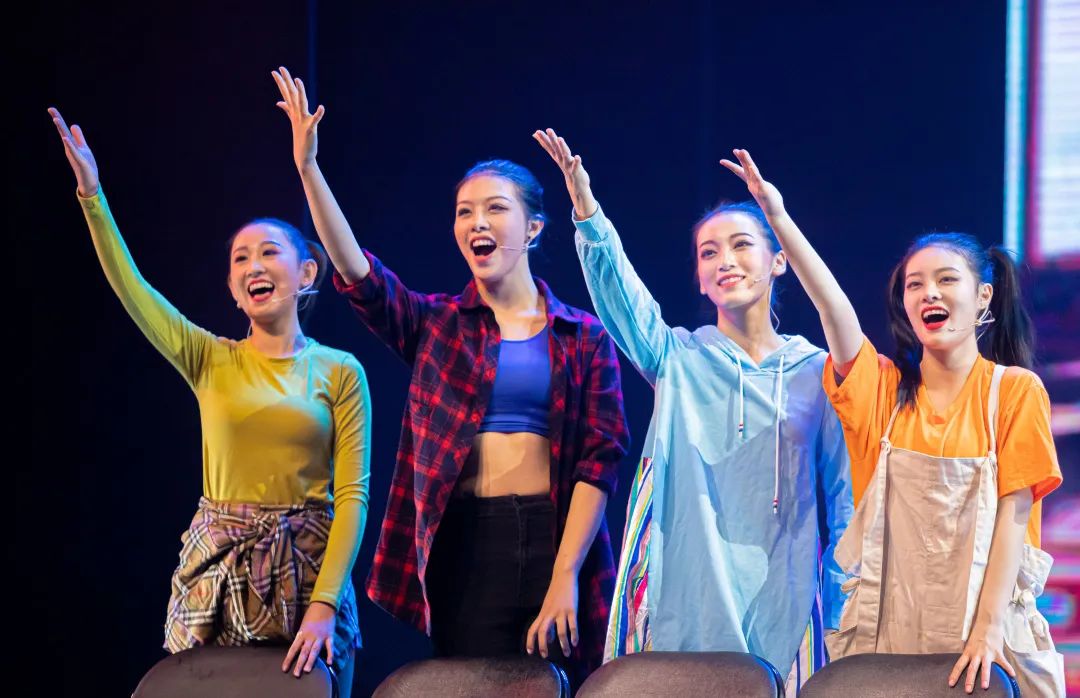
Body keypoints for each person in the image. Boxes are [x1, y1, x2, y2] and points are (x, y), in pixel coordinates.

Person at [270, 68, 630, 685]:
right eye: (465, 212)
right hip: (468, 543)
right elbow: (358, 274)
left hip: (555, 537)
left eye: (495, 208)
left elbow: (599, 463)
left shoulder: (584, 336)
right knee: (472, 688)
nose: (477, 222)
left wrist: (566, 573)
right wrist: (309, 169)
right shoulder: (437, 324)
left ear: (533, 228)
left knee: (559, 685)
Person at [719, 147, 1064, 696]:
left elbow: (1013, 518)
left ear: (983, 296)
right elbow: (833, 308)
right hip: (887, 645)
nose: (929, 293)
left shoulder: (1015, 392)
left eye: (946, 280)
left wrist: (988, 631)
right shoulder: (879, 391)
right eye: (914, 284)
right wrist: (777, 216)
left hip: (988, 641)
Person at [49, 107, 370, 695]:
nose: (254, 265)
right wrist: (92, 196)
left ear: (306, 273)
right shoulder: (209, 358)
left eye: (268, 252)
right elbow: (132, 288)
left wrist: (325, 602)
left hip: (308, 571)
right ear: (233, 290)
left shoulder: (339, 371)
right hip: (218, 572)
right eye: (240, 259)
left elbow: (351, 497)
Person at [534, 129, 852, 693]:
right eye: (709, 253)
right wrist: (587, 210)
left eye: (741, 245)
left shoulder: (815, 372)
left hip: (781, 602)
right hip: (680, 601)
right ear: (700, 281)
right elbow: (623, 299)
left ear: (780, 260)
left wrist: (845, 610)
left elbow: (845, 501)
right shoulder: (676, 357)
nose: (725, 261)